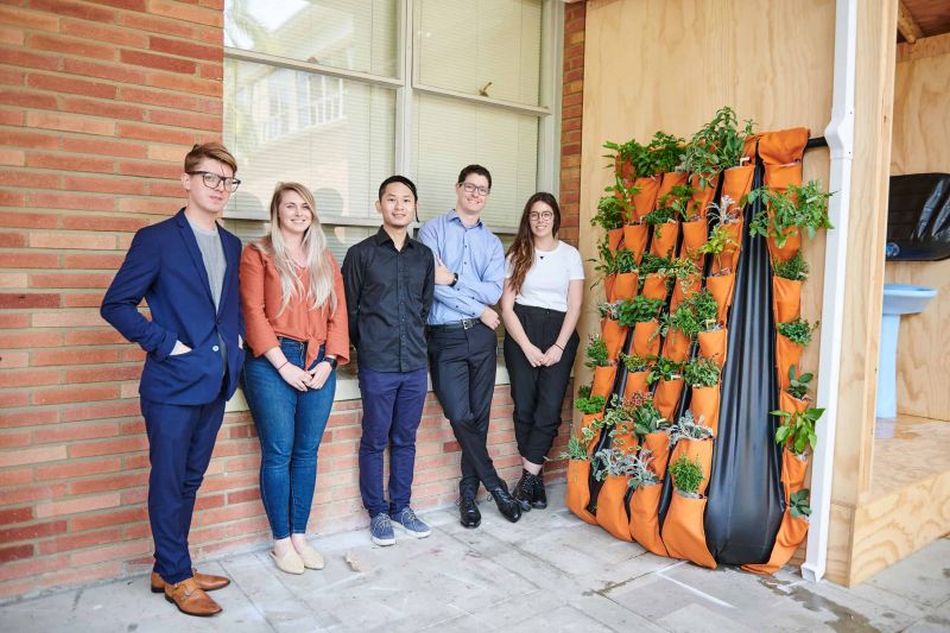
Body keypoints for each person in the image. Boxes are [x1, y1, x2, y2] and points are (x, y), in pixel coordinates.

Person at [101, 143, 245, 617]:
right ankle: (177, 575)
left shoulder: (231, 244)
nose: (220, 188)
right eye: (211, 178)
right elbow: (116, 305)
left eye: (228, 180)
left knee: (190, 479)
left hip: (216, 381)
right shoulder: (157, 239)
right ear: (186, 181)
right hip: (171, 385)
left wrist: (236, 347)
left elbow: (228, 310)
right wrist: (167, 343)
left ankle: (170, 565)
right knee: (167, 480)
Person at [239, 182, 349, 575]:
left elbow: (339, 314)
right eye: (290, 206)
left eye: (305, 206)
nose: (299, 213)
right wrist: (283, 366)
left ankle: (300, 536)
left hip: (319, 360)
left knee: (306, 453)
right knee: (279, 452)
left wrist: (330, 362)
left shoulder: (324, 258)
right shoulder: (258, 254)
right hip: (272, 361)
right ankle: (281, 542)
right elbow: (252, 312)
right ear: (277, 211)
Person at [418, 165, 522, 528]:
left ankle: (468, 496)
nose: (476, 194)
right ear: (458, 188)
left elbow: (494, 291)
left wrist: (458, 280)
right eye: (470, 187)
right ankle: (496, 485)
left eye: (483, 189)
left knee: (479, 419)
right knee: (459, 414)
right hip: (445, 337)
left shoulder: (492, 243)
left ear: (487, 196)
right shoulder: (432, 230)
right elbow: (430, 283)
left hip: (481, 339)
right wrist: (477, 306)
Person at [342, 176, 435, 546]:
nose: (399, 206)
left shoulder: (424, 256)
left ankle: (402, 507)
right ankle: (377, 512)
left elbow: (424, 308)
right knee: (375, 439)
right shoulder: (361, 254)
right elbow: (349, 310)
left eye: (406, 200)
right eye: (391, 199)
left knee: (406, 439)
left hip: (414, 363)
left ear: (415, 207)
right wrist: (360, 349)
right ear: (379, 205)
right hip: (377, 365)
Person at [500, 193, 583, 511]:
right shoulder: (517, 254)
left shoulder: (569, 255)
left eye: (546, 214)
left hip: (559, 331)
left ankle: (527, 479)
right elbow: (506, 307)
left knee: (549, 409)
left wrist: (559, 346)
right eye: (534, 214)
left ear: (555, 218)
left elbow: (575, 305)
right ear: (528, 218)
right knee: (524, 407)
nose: (540, 220)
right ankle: (533, 481)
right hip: (522, 331)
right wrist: (527, 346)